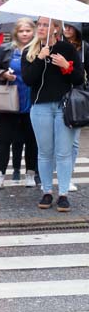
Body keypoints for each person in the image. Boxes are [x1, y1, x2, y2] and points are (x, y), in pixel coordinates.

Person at [22, 17, 83, 212]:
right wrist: (40, 58)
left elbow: (79, 79)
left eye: (45, 25)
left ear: (56, 29)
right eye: (38, 25)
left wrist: (67, 66)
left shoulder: (67, 49)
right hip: (40, 107)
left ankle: (63, 193)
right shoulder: (30, 51)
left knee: (64, 152)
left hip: (64, 106)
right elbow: (28, 80)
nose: (40, 28)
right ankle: (47, 191)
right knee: (45, 152)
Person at [0, 18, 38, 189]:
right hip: (8, 100)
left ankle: (30, 174)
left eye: (28, 31)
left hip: (31, 100)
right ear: (15, 33)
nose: (24, 34)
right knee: (4, 140)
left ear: (33, 32)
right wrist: (3, 75)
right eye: (21, 31)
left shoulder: (39, 49)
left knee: (31, 140)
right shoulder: (6, 49)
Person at [63, 21, 88, 192]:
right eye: (65, 26)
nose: (67, 29)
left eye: (70, 26)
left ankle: (68, 176)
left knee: (74, 141)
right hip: (58, 93)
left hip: (77, 96)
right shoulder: (58, 45)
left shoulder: (85, 48)